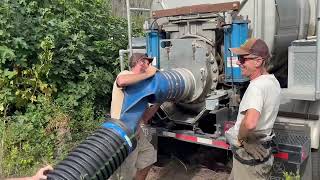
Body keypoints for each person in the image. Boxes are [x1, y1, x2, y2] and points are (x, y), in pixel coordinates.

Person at [225, 38, 281, 180]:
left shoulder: (256, 87)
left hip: (250, 158)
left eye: (242, 59)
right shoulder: (273, 82)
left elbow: (250, 123)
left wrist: (243, 140)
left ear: (258, 61)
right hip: (261, 151)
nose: (238, 62)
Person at [109, 53, 159, 180]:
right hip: (122, 135)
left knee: (149, 156)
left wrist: (159, 102)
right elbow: (121, 81)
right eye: (148, 63)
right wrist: (149, 74)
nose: (150, 67)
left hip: (136, 133)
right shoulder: (125, 74)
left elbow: (144, 118)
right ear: (141, 62)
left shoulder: (143, 87)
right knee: (124, 175)